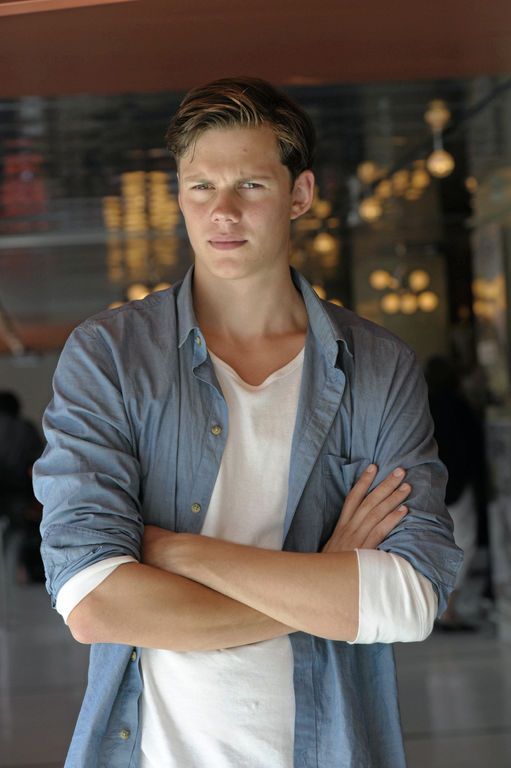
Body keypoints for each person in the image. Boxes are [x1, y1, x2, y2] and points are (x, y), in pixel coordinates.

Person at [33, 78, 462, 768]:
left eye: (251, 186)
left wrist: (180, 553)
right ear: (178, 194)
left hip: (329, 748)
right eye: (201, 186)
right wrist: (326, 579)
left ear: (300, 194)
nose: (222, 211)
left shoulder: (378, 367)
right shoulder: (110, 356)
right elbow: (94, 602)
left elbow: (410, 599)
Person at [425, 355, 486, 629]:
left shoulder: (423, 404)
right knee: (464, 542)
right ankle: (448, 608)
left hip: (432, 485)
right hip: (458, 485)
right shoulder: (460, 407)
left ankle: (437, 604)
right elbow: (473, 449)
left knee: (436, 542)